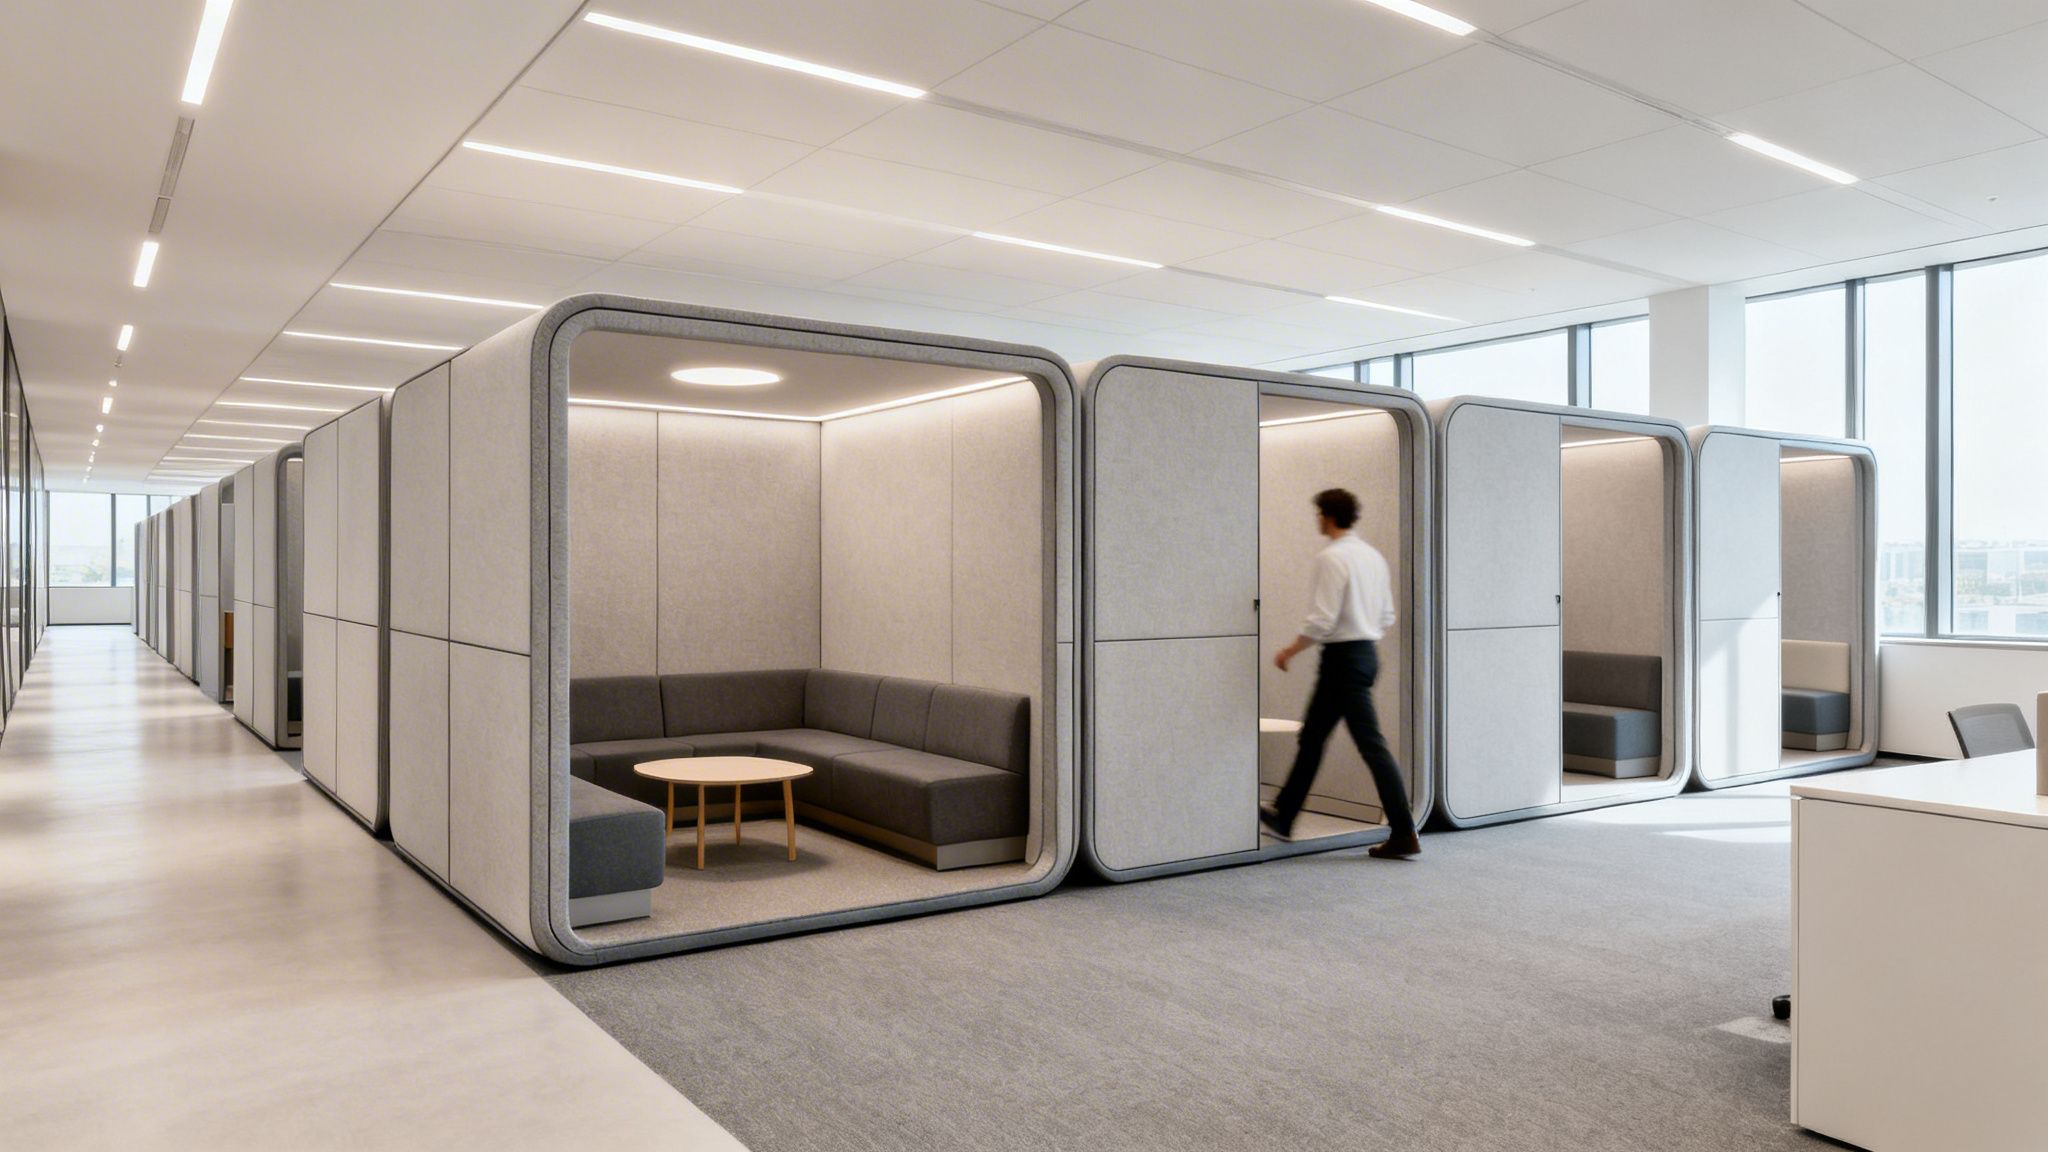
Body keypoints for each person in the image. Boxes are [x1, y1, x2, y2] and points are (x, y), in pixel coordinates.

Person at [1261, 488, 1421, 859]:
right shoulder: (1372, 557)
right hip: (1365, 654)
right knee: (1313, 737)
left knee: (1370, 745)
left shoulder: (1332, 558)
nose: (1316, 519)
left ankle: (1404, 830)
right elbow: (1386, 617)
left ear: (1328, 516)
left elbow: (1322, 619)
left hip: (1342, 660)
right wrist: (1361, 635)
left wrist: (1289, 650)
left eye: (1318, 514)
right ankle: (1284, 815)